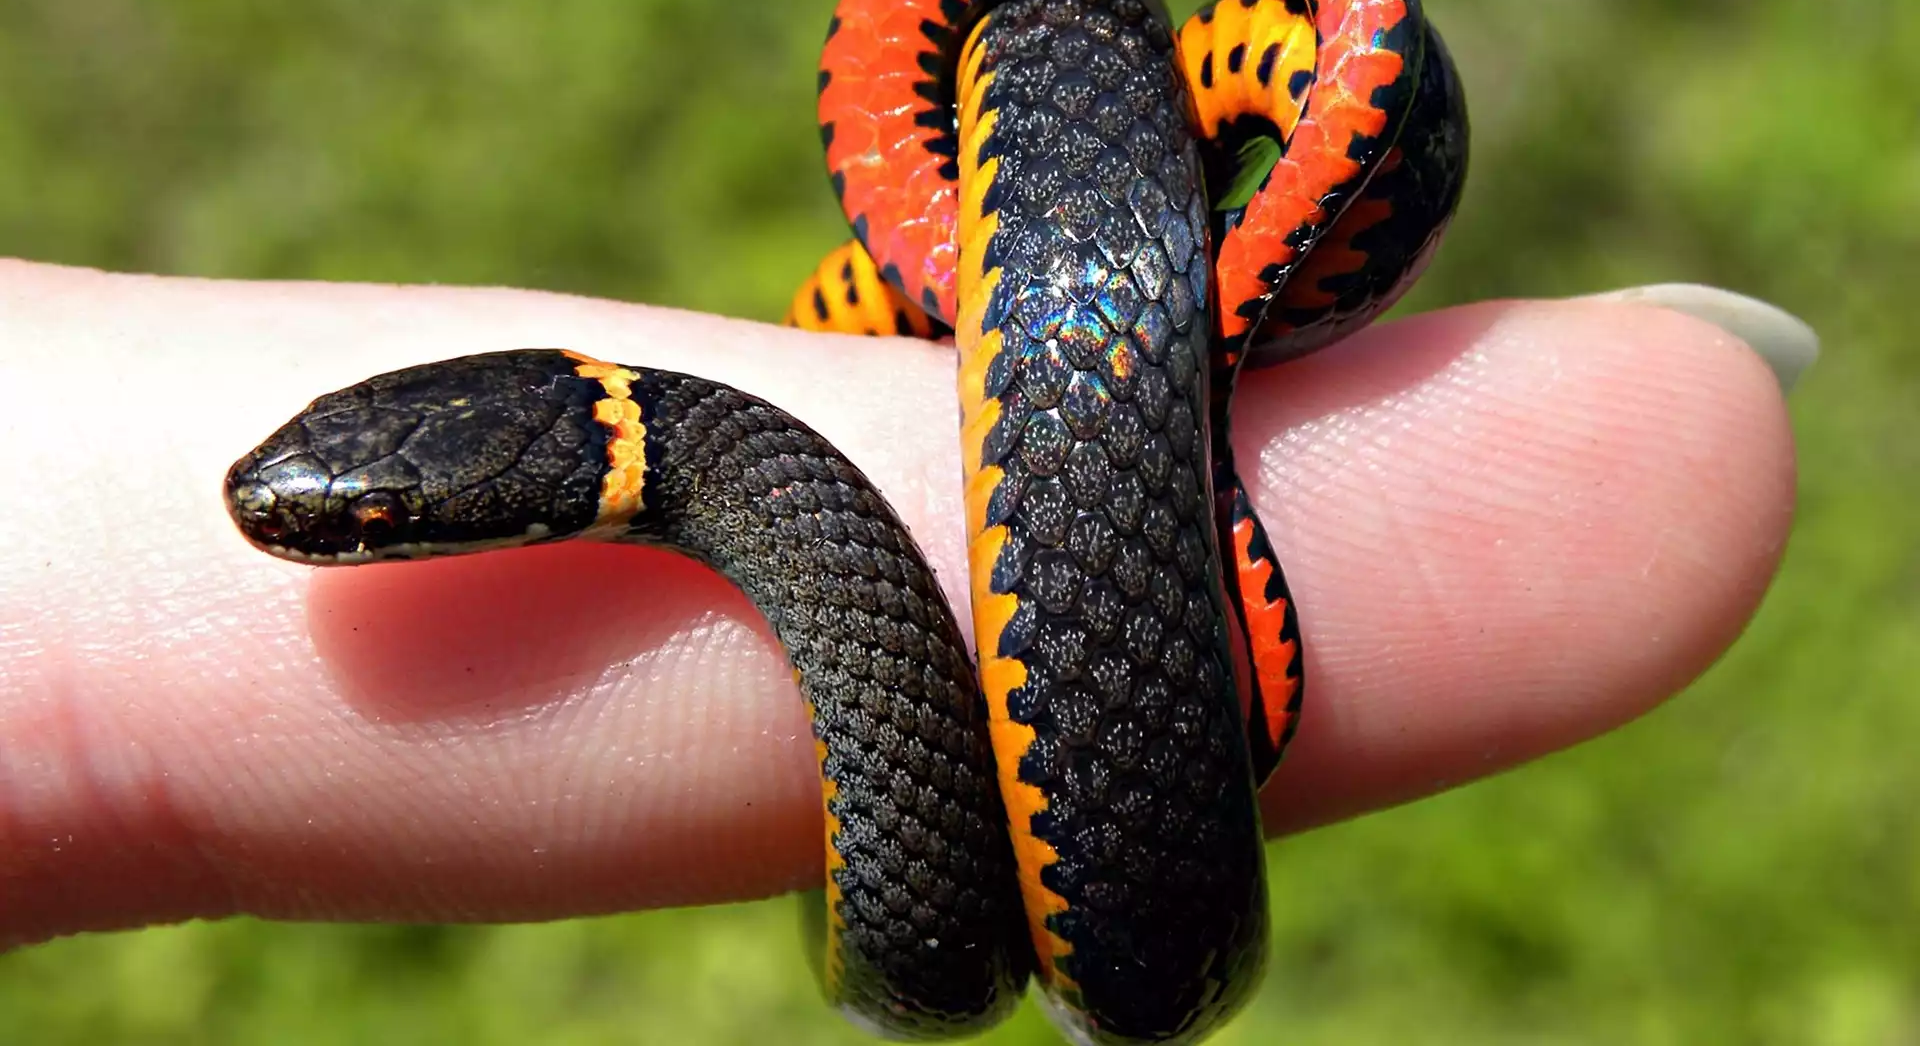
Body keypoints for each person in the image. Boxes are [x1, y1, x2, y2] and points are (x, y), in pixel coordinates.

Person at [0, 260, 1814, 949]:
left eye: (376, 515)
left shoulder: (764, 488)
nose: (345, 527)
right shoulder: (769, 495)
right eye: (372, 509)